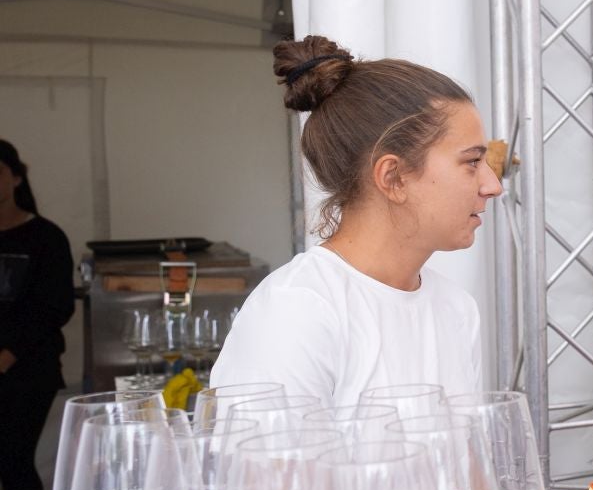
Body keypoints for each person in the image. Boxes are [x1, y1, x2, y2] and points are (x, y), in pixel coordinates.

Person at [210, 35, 499, 404]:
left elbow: (466, 459)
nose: (492, 186)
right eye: (472, 162)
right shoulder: (297, 309)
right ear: (393, 177)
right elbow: (261, 462)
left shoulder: (456, 309)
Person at [0, 139, 76, 490]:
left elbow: (56, 305)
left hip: (28, 372)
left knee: (13, 460)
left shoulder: (45, 237)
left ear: (15, 176)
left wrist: (9, 352)